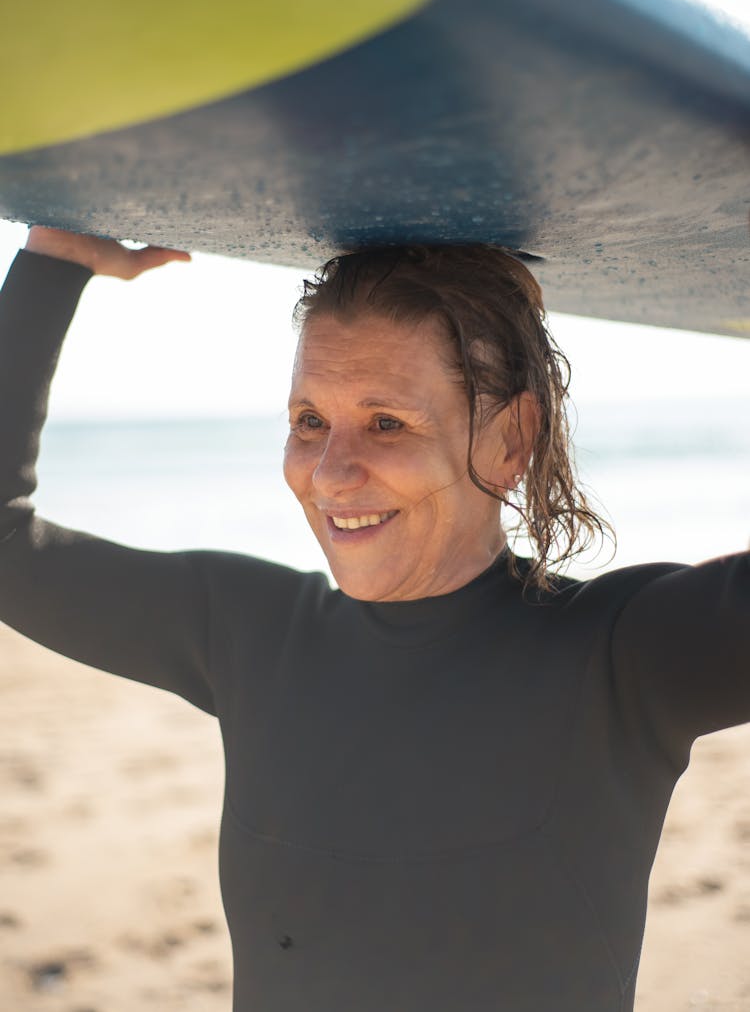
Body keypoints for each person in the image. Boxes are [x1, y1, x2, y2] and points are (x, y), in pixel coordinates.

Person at [0, 225, 748, 1012]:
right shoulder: (250, 633)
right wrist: (56, 259)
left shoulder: (625, 657)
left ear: (510, 438)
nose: (329, 474)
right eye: (309, 421)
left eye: (386, 423)